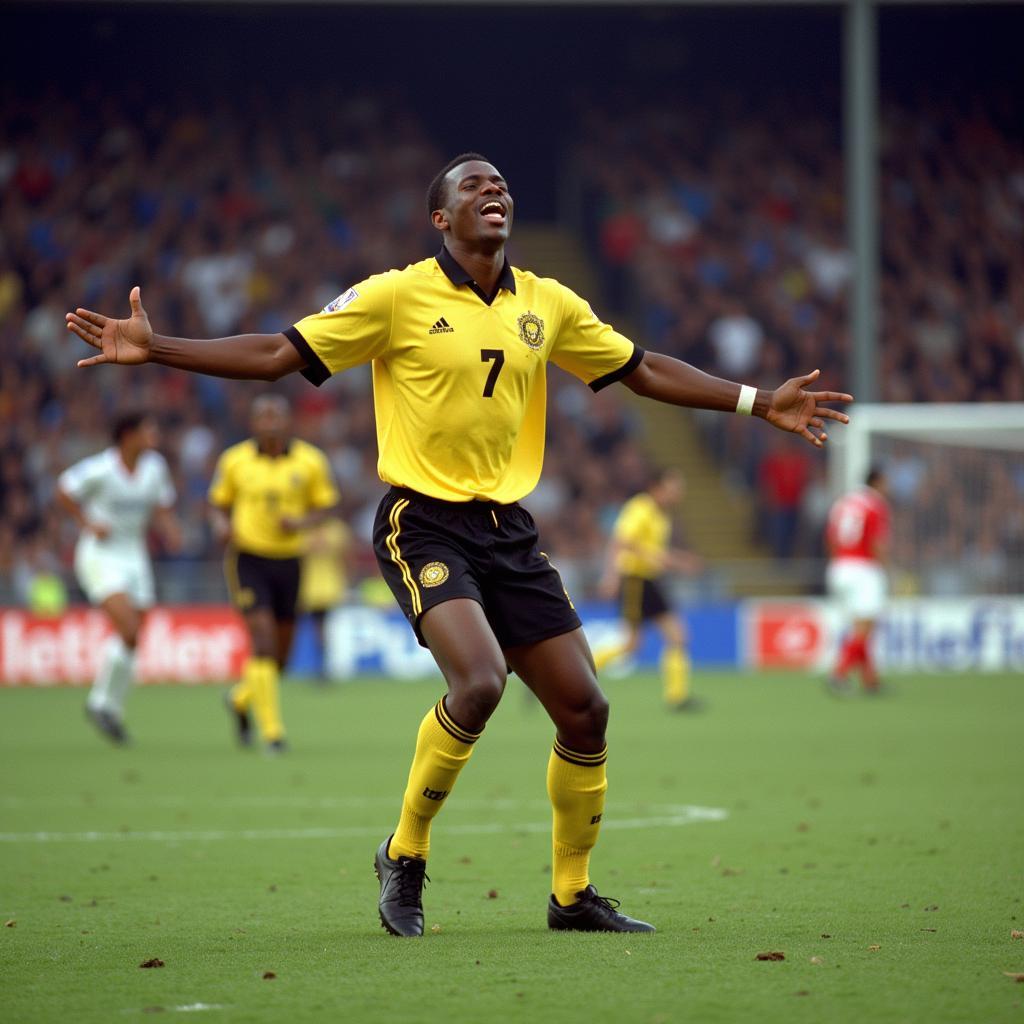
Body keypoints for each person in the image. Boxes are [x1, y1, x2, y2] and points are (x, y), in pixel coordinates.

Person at [66, 152, 851, 935]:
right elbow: (278, 355)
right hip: (422, 521)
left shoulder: (548, 303)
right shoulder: (395, 296)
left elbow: (641, 370)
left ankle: (571, 896)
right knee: (479, 683)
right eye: (474, 185)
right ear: (441, 218)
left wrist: (756, 402)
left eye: (502, 183)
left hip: (509, 529)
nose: (495, 191)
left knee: (586, 710)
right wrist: (159, 346)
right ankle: (403, 856)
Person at [208, 394, 339, 752]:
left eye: (275, 416)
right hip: (248, 559)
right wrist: (222, 526)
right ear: (252, 423)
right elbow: (218, 505)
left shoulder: (310, 461)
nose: (269, 422)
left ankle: (239, 698)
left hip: (290, 561)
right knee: (262, 643)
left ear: (287, 421)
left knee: (280, 659)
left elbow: (325, 507)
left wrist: (300, 522)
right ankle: (273, 734)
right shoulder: (235, 461)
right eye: (262, 416)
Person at [56, 412, 181, 744]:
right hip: (101, 554)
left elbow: (162, 504)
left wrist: (170, 530)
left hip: (134, 554)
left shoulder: (155, 467)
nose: (154, 433)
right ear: (128, 435)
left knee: (134, 634)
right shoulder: (101, 468)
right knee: (127, 627)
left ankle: (106, 705)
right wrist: (86, 523)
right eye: (147, 428)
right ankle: (102, 704)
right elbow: (64, 489)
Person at [594, 468, 701, 710]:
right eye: (673, 489)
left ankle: (677, 697)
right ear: (656, 488)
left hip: (649, 581)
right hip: (635, 580)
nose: (677, 494)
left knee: (677, 636)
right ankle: (571, 675)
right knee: (632, 644)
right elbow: (622, 542)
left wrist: (678, 560)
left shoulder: (661, 514)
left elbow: (652, 552)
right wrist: (611, 577)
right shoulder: (640, 508)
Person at [825, 467, 890, 694]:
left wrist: (839, 564)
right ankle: (838, 674)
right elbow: (875, 542)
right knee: (864, 628)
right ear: (877, 482)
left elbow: (831, 537)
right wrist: (886, 567)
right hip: (864, 569)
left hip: (839, 567)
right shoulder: (874, 504)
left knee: (860, 629)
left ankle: (870, 681)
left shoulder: (842, 503)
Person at [299, 516, 352, 682]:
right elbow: (346, 558)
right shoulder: (336, 529)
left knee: (320, 628)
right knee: (322, 628)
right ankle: (322, 667)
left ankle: (322, 668)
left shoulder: (303, 530)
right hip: (326, 587)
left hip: (315, 588)